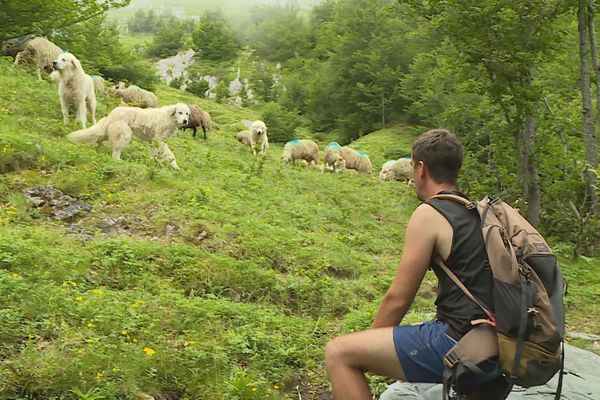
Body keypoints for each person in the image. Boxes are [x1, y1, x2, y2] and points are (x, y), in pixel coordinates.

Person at [325, 129, 494, 399]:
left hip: (459, 340)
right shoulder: (477, 212)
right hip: (495, 341)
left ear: (420, 168)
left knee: (338, 353)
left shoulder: (430, 213)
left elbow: (398, 298)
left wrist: (372, 347)